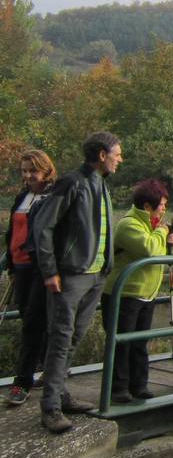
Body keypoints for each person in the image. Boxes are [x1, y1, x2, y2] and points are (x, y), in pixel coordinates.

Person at [32, 131, 123, 433]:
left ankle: (60, 393)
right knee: (61, 339)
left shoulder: (101, 186)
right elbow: (43, 226)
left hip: (95, 276)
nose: (120, 159)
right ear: (101, 155)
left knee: (73, 339)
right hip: (71, 275)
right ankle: (51, 408)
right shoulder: (73, 182)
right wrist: (50, 271)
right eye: (117, 153)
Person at [102, 178, 173, 402]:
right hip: (125, 293)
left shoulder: (153, 225)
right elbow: (150, 250)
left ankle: (139, 385)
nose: (164, 209)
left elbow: (164, 255)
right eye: (162, 205)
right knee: (123, 342)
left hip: (147, 293)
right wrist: (163, 233)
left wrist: (171, 243)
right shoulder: (129, 224)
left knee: (140, 342)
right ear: (147, 206)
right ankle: (118, 388)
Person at [3, 149, 55, 407]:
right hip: (20, 267)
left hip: (39, 267)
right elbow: (14, 230)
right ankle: (50, 367)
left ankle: (22, 382)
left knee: (32, 322)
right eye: (24, 171)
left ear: (45, 171)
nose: (28, 176)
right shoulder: (24, 195)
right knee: (30, 318)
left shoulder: (52, 196)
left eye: (32, 171)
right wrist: (10, 263)